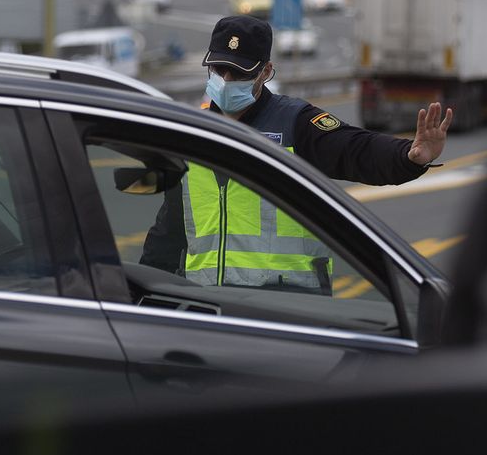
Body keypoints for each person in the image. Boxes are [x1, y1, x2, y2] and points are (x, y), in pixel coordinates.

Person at [140, 15, 452, 291]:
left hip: (291, 310)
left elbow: (356, 149)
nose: (226, 81)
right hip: (213, 310)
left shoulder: (296, 123)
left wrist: (408, 156)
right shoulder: (195, 134)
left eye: (240, 73)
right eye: (219, 70)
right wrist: (142, 294)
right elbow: (169, 229)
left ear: (266, 72)